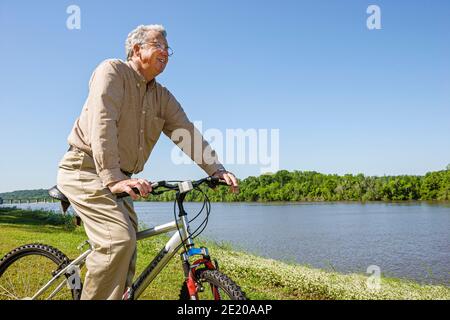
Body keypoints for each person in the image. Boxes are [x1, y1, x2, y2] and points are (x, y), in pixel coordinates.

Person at [57, 24, 238, 300]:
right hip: (85, 169)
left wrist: (216, 169)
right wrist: (114, 178)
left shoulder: (161, 96)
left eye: (168, 48)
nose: (166, 52)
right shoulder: (112, 71)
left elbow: (187, 133)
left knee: (128, 249)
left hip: (119, 177)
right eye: (159, 45)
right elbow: (102, 123)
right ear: (137, 49)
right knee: (116, 241)